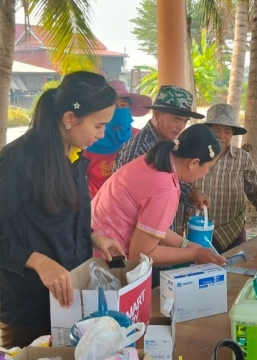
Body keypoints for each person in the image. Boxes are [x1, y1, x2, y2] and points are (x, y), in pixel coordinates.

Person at [0, 72, 126, 349]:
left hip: (69, 297)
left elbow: (55, 216)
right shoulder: (20, 161)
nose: (101, 135)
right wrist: (37, 261)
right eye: (98, 126)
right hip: (29, 306)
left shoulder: (74, 154)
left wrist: (92, 236)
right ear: (70, 118)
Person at [92, 124, 227, 267]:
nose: (207, 172)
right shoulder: (165, 189)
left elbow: (151, 225)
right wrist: (195, 254)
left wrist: (187, 245)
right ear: (194, 163)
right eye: (208, 167)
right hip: (105, 256)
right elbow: (140, 255)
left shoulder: (157, 161)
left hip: (92, 238)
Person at [114, 85, 210, 231]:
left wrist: (191, 192)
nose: (181, 126)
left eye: (185, 121)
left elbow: (162, 183)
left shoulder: (166, 144)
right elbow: (132, 207)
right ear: (158, 114)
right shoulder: (139, 150)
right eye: (177, 119)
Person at [180, 104, 257, 253]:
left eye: (227, 131)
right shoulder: (194, 156)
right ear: (208, 131)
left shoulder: (242, 158)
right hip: (198, 230)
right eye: (216, 130)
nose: (221, 135)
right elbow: (180, 188)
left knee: (235, 265)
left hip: (232, 231)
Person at [82, 81, 151, 197]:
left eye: (123, 105)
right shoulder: (89, 141)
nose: (119, 110)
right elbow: (79, 180)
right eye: (113, 106)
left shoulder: (140, 138)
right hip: (97, 204)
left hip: (131, 204)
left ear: (129, 110)